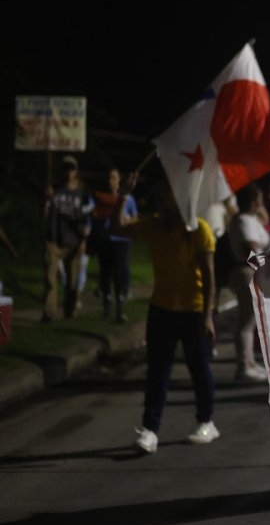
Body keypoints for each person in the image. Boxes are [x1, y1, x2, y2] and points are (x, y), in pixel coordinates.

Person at [111, 170, 219, 454]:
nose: (159, 197)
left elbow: (209, 277)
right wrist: (123, 194)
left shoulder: (200, 230)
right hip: (161, 309)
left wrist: (208, 315)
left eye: (165, 192)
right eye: (158, 192)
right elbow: (117, 228)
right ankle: (150, 430)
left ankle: (206, 421)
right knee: (158, 371)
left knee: (199, 369)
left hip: (194, 311)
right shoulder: (155, 224)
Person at [227, 183, 270, 382]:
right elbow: (251, 249)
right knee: (246, 321)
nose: (262, 203)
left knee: (250, 320)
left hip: (251, 272)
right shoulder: (243, 221)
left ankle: (250, 364)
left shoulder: (249, 219)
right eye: (259, 199)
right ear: (253, 201)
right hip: (247, 273)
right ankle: (244, 366)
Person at [43, 155, 94, 322]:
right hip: (54, 239)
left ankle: (69, 311)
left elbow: (88, 216)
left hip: (74, 240)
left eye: (71, 168)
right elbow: (45, 214)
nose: (68, 172)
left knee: (72, 283)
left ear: (76, 171)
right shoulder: (54, 189)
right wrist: (47, 199)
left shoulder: (83, 192)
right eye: (66, 168)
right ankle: (49, 313)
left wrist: (85, 239)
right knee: (50, 279)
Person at [92, 167, 139, 322]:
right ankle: (106, 307)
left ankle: (120, 308)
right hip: (105, 239)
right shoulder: (101, 198)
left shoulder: (127, 199)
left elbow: (135, 217)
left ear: (119, 179)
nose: (110, 181)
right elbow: (93, 215)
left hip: (121, 241)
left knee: (119, 273)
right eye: (108, 177)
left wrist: (125, 220)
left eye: (113, 177)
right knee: (105, 273)